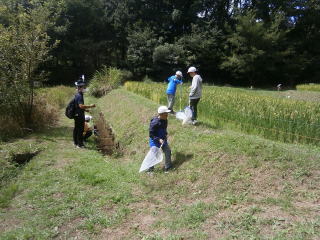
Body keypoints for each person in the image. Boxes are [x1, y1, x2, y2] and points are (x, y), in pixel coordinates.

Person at [148, 106, 173, 173]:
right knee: (154, 155)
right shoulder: (154, 123)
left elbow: (164, 129)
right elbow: (151, 134)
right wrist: (158, 139)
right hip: (155, 141)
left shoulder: (165, 120)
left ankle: (168, 167)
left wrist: (165, 134)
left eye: (167, 114)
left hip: (163, 139)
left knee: (168, 151)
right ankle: (150, 170)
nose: (167, 115)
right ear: (161, 114)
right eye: (166, 114)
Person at [73, 79, 96, 148]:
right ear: (80, 87)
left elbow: (77, 106)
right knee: (80, 129)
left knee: (76, 129)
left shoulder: (77, 94)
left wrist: (86, 110)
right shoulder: (79, 95)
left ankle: (75, 142)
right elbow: (81, 106)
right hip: (79, 116)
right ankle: (80, 144)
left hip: (76, 114)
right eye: (83, 87)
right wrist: (91, 106)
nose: (84, 88)